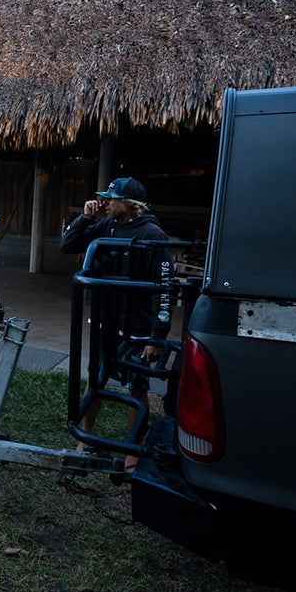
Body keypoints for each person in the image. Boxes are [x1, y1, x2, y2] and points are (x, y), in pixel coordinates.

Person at [59, 177, 173, 471]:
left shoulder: (153, 234)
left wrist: (157, 336)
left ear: (130, 204)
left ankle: (133, 450)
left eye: (112, 199)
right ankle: (86, 439)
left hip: (137, 329)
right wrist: (85, 219)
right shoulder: (107, 226)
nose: (106, 203)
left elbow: (165, 289)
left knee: (137, 388)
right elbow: (68, 244)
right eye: (106, 198)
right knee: (94, 380)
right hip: (105, 322)